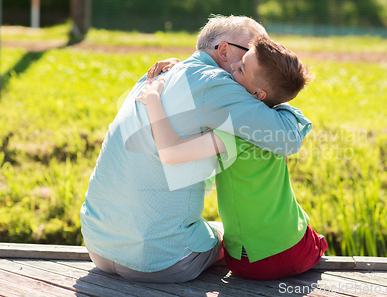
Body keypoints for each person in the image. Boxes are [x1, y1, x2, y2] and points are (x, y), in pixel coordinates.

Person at [80, 15, 311, 283]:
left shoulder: (159, 75)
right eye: (252, 50)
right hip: (159, 260)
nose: (258, 57)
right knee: (233, 239)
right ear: (224, 50)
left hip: (97, 245)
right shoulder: (214, 82)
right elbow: (287, 138)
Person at [136, 35, 327, 281]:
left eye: (240, 68)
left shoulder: (229, 134)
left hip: (252, 263)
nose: (231, 69)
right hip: (299, 249)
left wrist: (153, 99)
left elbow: (171, 153)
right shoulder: (278, 124)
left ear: (258, 93)